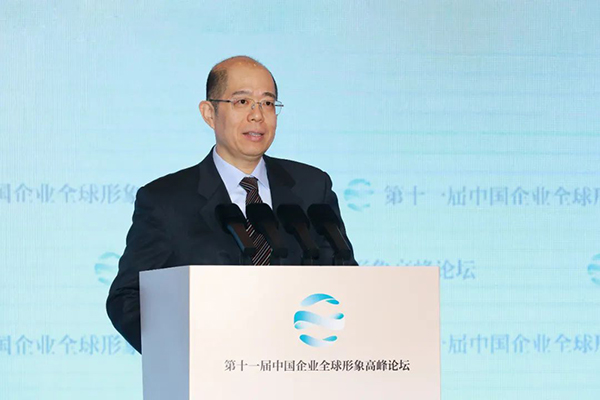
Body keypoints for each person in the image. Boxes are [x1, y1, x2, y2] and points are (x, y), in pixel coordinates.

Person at [106, 56, 356, 353]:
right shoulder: (165, 201)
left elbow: (346, 280)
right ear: (209, 113)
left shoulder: (312, 187)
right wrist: (181, 354)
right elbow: (128, 297)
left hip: (301, 366)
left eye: (267, 103)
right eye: (242, 102)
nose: (257, 115)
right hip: (210, 371)